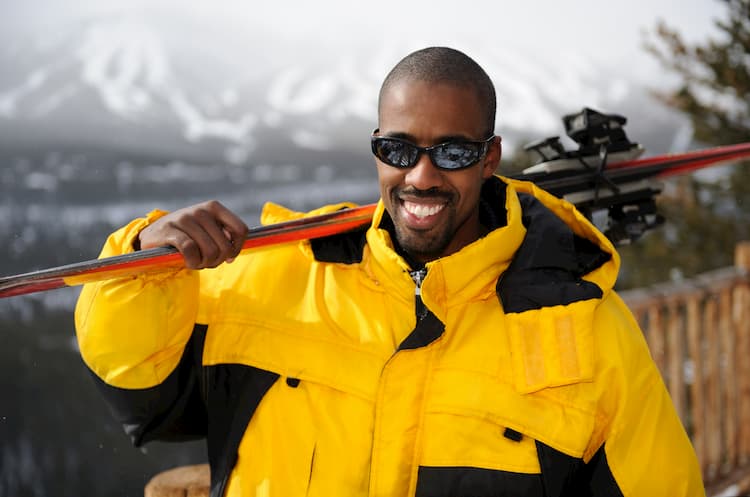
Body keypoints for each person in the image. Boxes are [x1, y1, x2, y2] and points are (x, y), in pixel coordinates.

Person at [74, 47, 704, 497]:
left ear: (490, 158)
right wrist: (142, 264)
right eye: (398, 150)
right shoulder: (280, 278)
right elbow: (139, 393)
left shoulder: (586, 333)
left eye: (452, 152)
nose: (421, 176)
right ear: (376, 147)